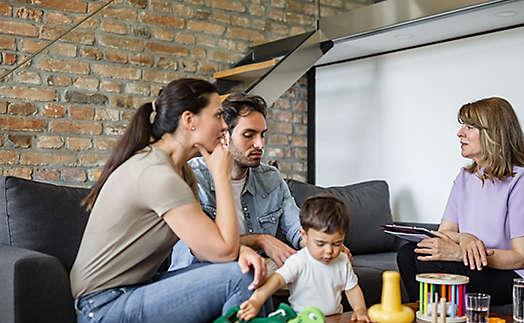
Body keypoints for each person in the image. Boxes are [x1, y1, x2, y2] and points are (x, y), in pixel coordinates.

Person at [69, 79, 267, 323]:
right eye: (217, 115)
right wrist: (221, 176)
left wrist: (243, 251)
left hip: (131, 291)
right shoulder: (157, 174)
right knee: (241, 278)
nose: (225, 125)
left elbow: (205, 249)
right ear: (189, 120)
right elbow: (224, 251)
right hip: (102, 307)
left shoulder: (181, 172)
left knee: (250, 270)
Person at [396, 97, 524, 309]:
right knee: (410, 253)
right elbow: (445, 232)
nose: (460, 133)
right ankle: (430, 315)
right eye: (462, 126)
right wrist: (465, 238)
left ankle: (440, 315)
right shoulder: (465, 177)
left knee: (432, 264)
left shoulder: (522, 180)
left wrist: (459, 253)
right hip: (484, 266)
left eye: (470, 127)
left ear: (493, 134)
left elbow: (520, 257)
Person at [170, 92, 303, 270]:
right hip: (199, 272)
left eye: (262, 135)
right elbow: (204, 249)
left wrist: (322, 244)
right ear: (224, 136)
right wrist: (261, 240)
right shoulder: (192, 177)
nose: (260, 145)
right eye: (249, 135)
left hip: (256, 267)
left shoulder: (270, 178)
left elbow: (297, 227)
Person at [237, 194, 370, 322]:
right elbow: (276, 281)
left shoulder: (342, 261)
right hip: (302, 319)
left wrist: (360, 310)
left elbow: (352, 289)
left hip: (333, 318)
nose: (329, 251)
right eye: (320, 244)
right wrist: (256, 301)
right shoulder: (299, 261)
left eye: (337, 244)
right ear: (304, 236)